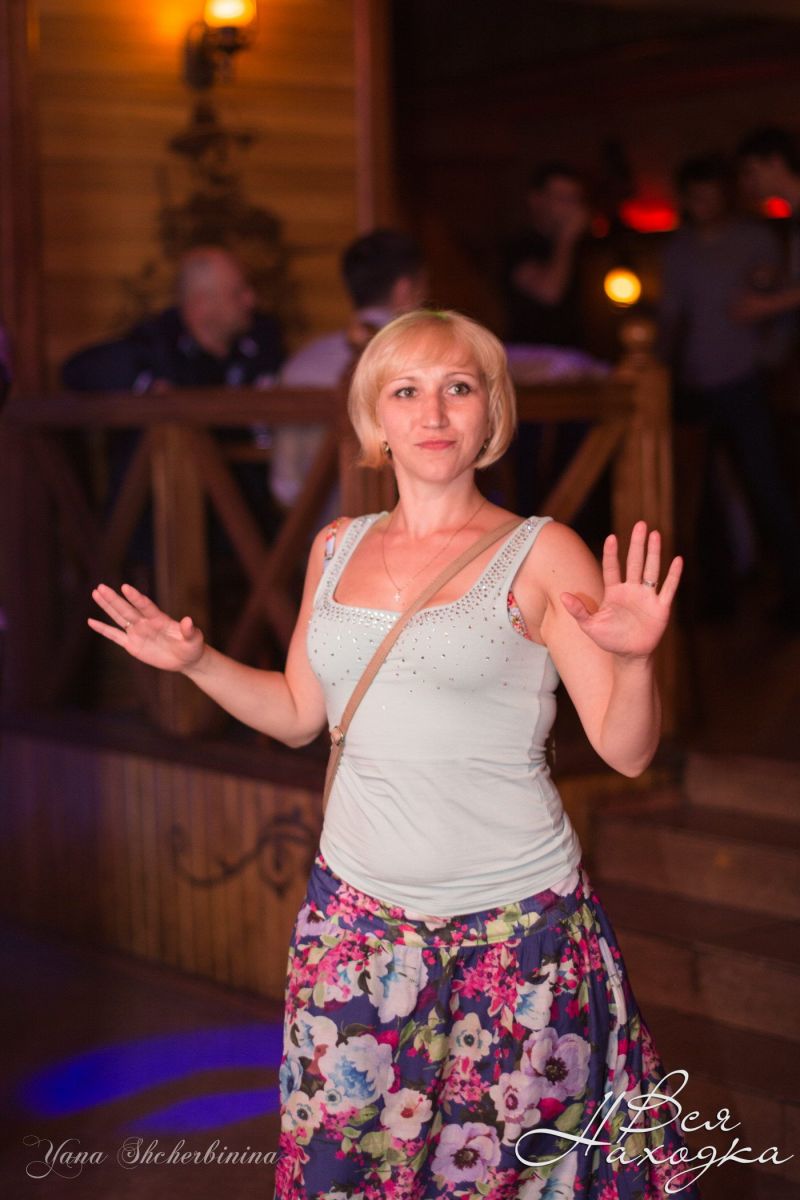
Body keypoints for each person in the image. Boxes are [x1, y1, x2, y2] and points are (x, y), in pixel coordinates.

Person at [87, 309, 699, 1198]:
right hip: (356, 930)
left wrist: (636, 662)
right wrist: (198, 662)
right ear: (375, 418)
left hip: (518, 938)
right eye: (406, 391)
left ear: (491, 413)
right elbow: (299, 714)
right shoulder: (335, 546)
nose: (433, 412)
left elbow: (627, 750)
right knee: (341, 1174)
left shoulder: (542, 550)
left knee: (506, 1182)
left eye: (459, 388)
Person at [658, 152, 800, 626]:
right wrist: (660, 370)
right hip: (695, 385)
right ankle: (718, 597)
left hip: (745, 382)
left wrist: (768, 359)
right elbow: (671, 317)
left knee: (766, 485)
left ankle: (792, 590)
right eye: (695, 197)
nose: (703, 204)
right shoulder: (678, 250)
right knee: (704, 498)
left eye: (710, 195)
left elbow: (779, 301)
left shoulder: (755, 239)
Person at [269, 228, 426, 512]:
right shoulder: (430, 360)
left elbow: (285, 485)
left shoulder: (301, 364)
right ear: (405, 289)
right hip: (405, 526)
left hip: (312, 528)